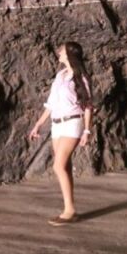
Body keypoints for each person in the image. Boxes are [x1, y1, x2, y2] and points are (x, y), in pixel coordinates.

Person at [29, 42, 94, 225]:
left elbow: (88, 105)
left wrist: (87, 130)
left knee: (58, 166)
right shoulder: (60, 75)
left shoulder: (81, 77)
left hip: (73, 123)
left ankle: (70, 210)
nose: (59, 52)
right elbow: (50, 104)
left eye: (62, 50)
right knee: (64, 166)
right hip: (57, 124)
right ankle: (69, 208)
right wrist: (38, 124)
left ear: (70, 54)